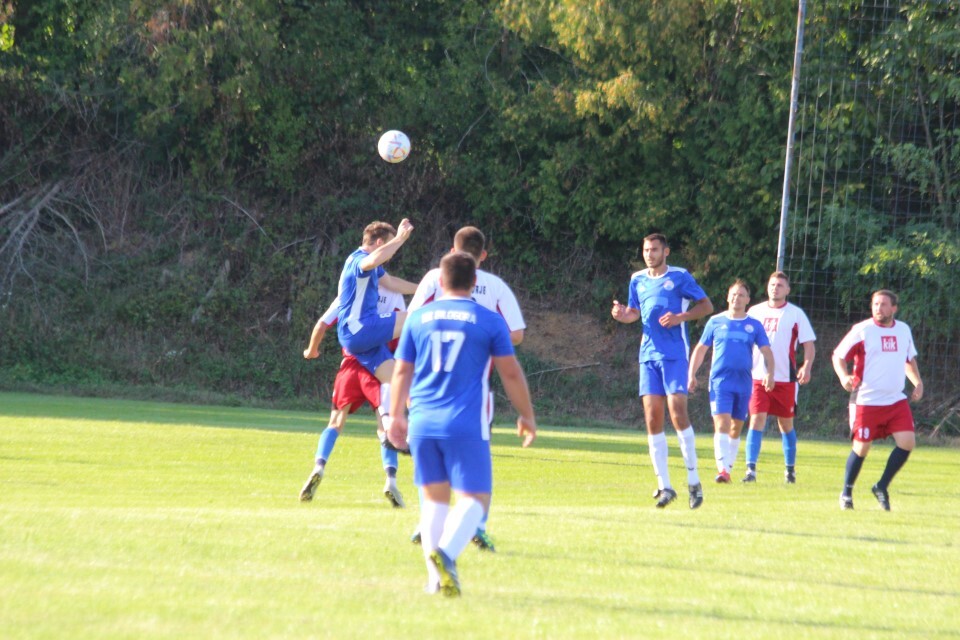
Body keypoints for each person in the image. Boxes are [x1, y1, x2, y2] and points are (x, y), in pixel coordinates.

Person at [386, 252, 537, 597]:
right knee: (474, 500)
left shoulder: (418, 318)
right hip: (465, 421)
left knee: (434, 501)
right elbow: (510, 371)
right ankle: (447, 554)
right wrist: (526, 415)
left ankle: (433, 581)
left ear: (440, 282)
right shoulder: (488, 320)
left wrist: (395, 414)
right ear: (474, 283)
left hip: (423, 422)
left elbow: (402, 370)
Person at [406, 225, 526, 551]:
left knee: (432, 461)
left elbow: (413, 319)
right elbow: (516, 334)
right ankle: (474, 526)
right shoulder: (494, 286)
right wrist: (485, 329)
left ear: (451, 251)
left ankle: (434, 524)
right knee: (474, 460)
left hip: (428, 389)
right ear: (482, 257)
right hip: (472, 390)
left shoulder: (435, 277)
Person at [611, 233, 714, 509]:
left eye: (654, 249)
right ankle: (665, 486)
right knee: (652, 418)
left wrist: (681, 317)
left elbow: (706, 305)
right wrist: (623, 316)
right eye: (646, 250)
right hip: (648, 356)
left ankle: (694, 482)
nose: (649, 254)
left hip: (674, 355)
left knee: (678, 413)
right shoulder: (637, 279)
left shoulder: (680, 276)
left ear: (665, 251)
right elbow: (634, 312)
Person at [299, 276, 417, 507]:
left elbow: (322, 324)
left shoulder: (349, 293)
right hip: (378, 364)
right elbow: (402, 333)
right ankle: (391, 480)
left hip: (351, 365)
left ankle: (319, 467)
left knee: (335, 422)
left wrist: (311, 350)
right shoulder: (394, 295)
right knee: (385, 427)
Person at [832, 289, 923, 511]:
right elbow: (838, 356)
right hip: (866, 400)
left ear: (894, 308)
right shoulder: (863, 330)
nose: (878, 309)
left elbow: (908, 360)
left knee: (907, 442)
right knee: (862, 447)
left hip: (895, 400)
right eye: (875, 304)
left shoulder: (903, 330)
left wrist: (917, 382)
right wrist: (844, 376)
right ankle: (847, 493)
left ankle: (881, 486)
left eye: (883, 304)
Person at [688, 280, 775, 483]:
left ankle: (728, 467)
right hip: (720, 382)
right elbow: (701, 349)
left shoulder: (753, 325)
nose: (736, 298)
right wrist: (691, 374)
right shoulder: (715, 322)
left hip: (744, 383)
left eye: (741, 295)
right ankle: (722, 470)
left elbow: (766, 351)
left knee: (736, 427)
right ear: (728, 297)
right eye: (733, 294)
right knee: (722, 423)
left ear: (748, 300)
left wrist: (770, 373)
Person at [740, 271, 816, 484]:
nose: (776, 288)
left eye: (780, 285)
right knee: (756, 419)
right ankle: (750, 471)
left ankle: (790, 471)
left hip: (785, 379)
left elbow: (808, 344)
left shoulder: (795, 314)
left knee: (786, 425)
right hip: (757, 377)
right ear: (767, 287)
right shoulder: (754, 311)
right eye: (772, 284)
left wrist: (806, 366)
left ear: (787, 290)